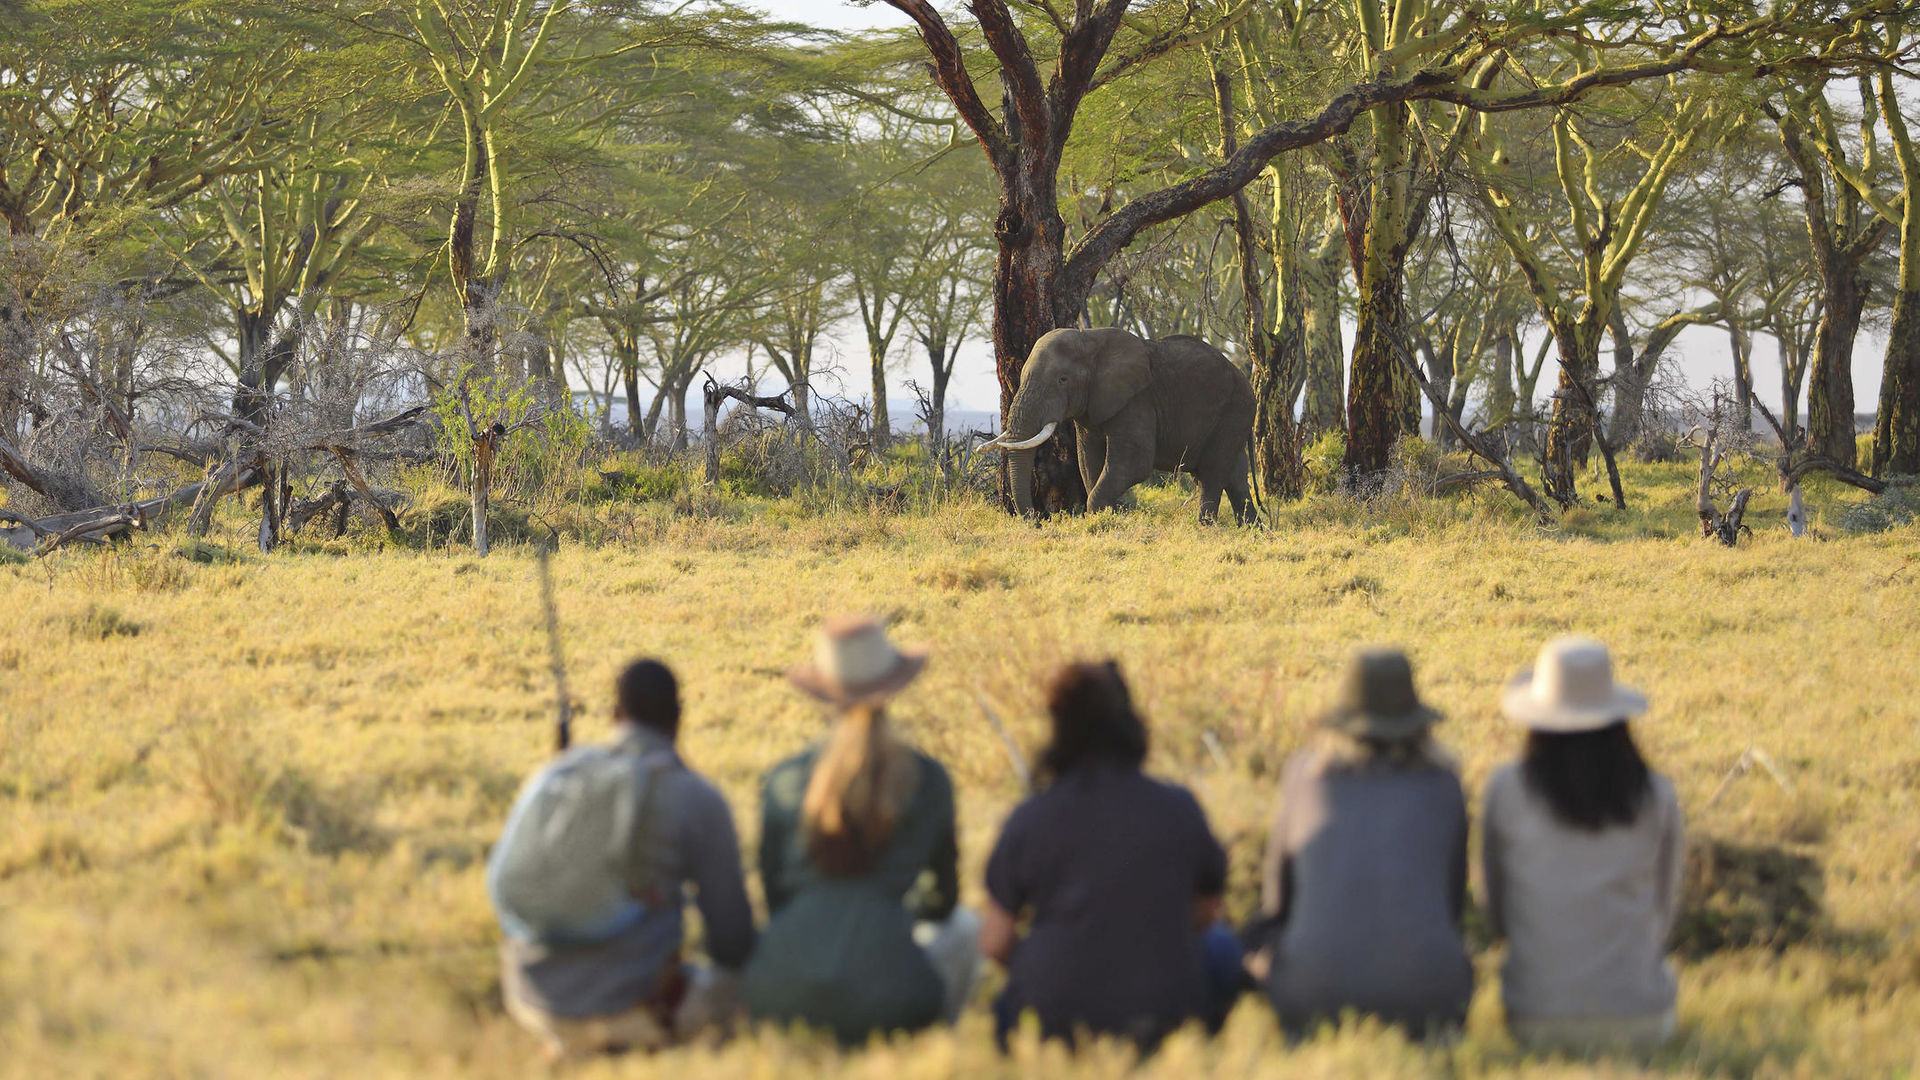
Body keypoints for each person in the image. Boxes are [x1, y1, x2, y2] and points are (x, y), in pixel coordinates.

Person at [486, 659, 755, 1060]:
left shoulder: (559, 773)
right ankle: (632, 1034)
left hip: (531, 1000)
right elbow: (732, 939)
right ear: (678, 718)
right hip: (639, 1002)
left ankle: (566, 1041)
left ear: (614, 715)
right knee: (751, 992)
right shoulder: (695, 797)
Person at [742, 617, 979, 1044]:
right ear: (893, 688)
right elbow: (942, 902)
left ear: (822, 693)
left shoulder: (783, 779)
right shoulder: (926, 780)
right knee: (966, 928)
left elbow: (774, 896)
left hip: (780, 992)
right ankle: (938, 1046)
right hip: (893, 998)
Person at [983, 661, 1241, 1051]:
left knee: (1004, 1005)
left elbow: (994, 942)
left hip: (1054, 1012)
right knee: (1221, 946)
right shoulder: (1178, 807)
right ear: (1130, 724)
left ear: (1058, 731)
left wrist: (1047, 963)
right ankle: (1204, 1049)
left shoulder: (1031, 818)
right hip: (1164, 1005)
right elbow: (1207, 913)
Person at [1247, 647, 1473, 1039]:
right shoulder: (1445, 784)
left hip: (1310, 995)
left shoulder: (1304, 775)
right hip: (1430, 996)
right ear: (1416, 719)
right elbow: (1450, 903)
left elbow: (1278, 901)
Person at [1483, 636, 1685, 1053]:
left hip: (1533, 1019)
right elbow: (1663, 916)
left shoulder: (1505, 790)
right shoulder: (1656, 793)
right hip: (1641, 1021)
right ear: (1617, 721)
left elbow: (1497, 913)